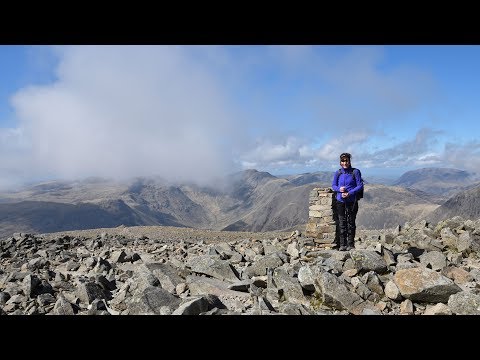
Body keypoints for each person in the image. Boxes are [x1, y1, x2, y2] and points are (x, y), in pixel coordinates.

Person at [331, 152, 364, 251]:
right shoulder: (338, 173)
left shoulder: (355, 172)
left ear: (349, 161)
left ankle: (351, 244)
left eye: (346, 160)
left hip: (352, 200)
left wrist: (350, 193)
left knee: (351, 222)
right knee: (342, 222)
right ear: (340, 162)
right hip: (340, 200)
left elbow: (360, 185)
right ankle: (342, 245)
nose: (344, 163)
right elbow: (333, 185)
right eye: (343, 161)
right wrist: (339, 189)